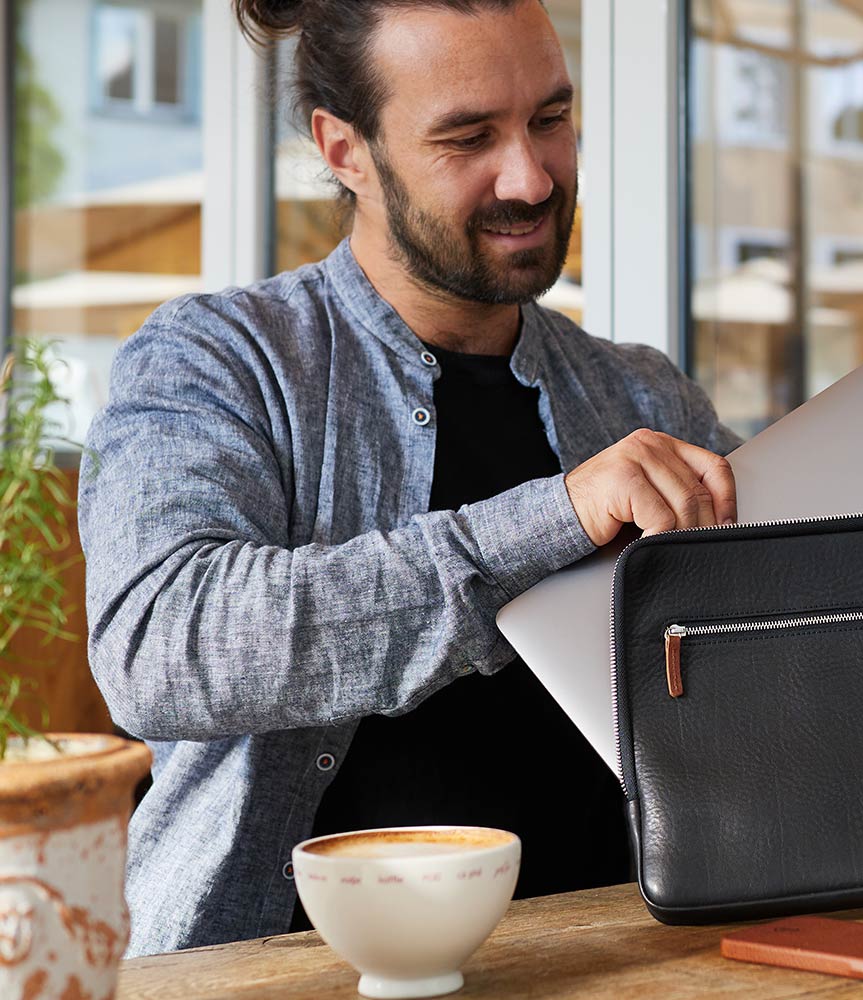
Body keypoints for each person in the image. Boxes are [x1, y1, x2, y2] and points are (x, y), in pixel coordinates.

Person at [78, 0, 739, 956]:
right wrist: (555, 518)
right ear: (345, 149)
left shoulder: (642, 393)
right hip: (280, 975)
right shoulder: (217, 359)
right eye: (468, 137)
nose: (530, 175)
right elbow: (160, 649)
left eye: (550, 120)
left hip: (622, 960)